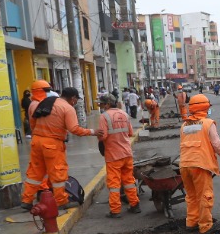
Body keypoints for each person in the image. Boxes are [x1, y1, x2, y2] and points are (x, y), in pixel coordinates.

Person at [20, 80, 94, 212]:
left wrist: (38, 134)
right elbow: (74, 129)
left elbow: (33, 122)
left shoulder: (45, 102)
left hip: (37, 141)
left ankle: (27, 200)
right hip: (52, 144)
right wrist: (92, 132)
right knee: (58, 174)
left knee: (34, 173)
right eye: (76, 100)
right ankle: (61, 201)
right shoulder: (67, 108)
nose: (76, 103)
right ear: (72, 98)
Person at [179, 93, 220, 234]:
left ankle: (191, 222)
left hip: (184, 165)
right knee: (205, 195)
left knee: (191, 196)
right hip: (200, 165)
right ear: (205, 107)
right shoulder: (208, 123)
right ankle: (205, 226)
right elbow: (217, 144)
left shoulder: (184, 125)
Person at [96, 93, 141, 218]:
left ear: (107, 104)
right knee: (129, 180)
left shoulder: (104, 116)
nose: (100, 106)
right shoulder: (124, 114)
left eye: (101, 103)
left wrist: (97, 136)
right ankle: (135, 204)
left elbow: (103, 136)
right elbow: (131, 133)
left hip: (113, 155)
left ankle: (115, 210)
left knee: (114, 183)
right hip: (127, 152)